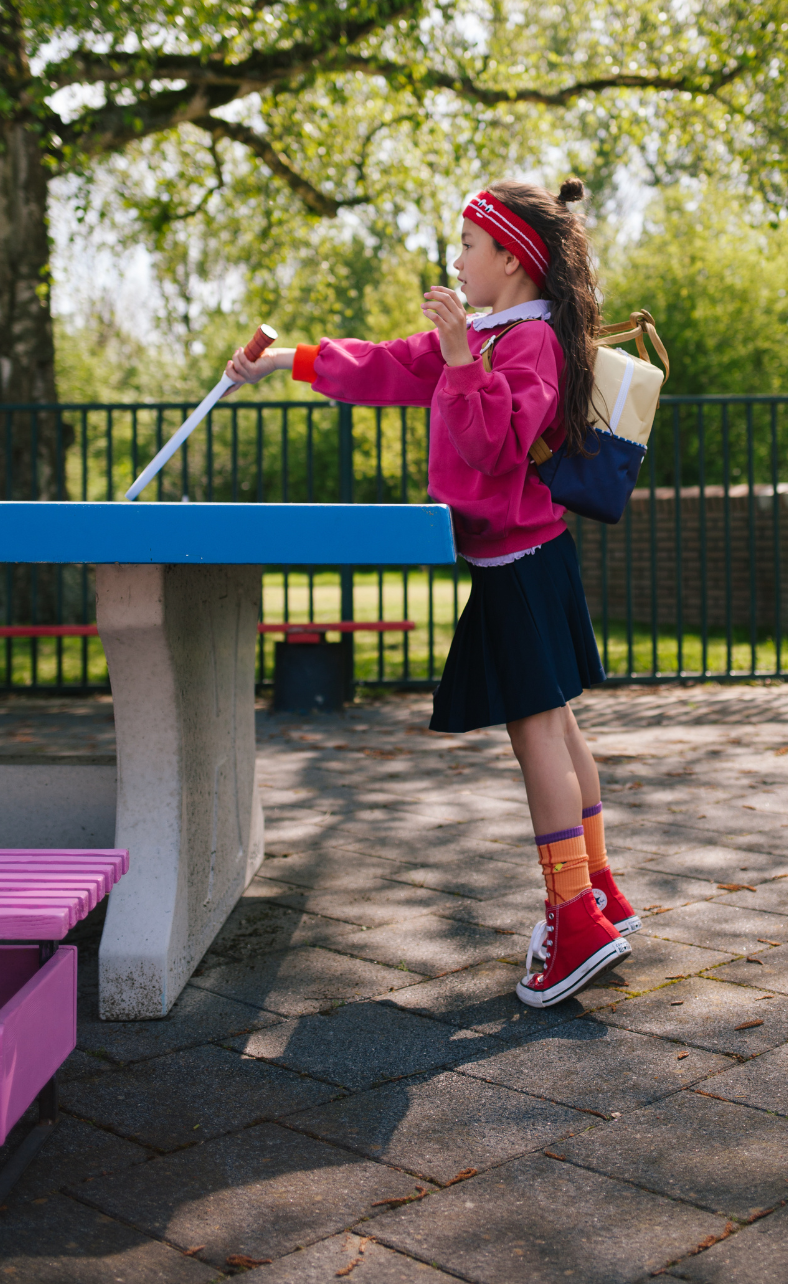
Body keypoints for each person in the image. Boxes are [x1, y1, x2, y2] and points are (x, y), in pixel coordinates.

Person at [225, 178, 640, 1006]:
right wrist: (284, 360)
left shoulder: (527, 345)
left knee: (538, 738)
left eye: (468, 248)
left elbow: (497, 446)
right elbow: (383, 366)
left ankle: (574, 918)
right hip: (527, 559)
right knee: (558, 728)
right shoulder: (490, 332)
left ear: (512, 261)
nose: (457, 260)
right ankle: (600, 893)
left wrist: (458, 362)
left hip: (520, 566)